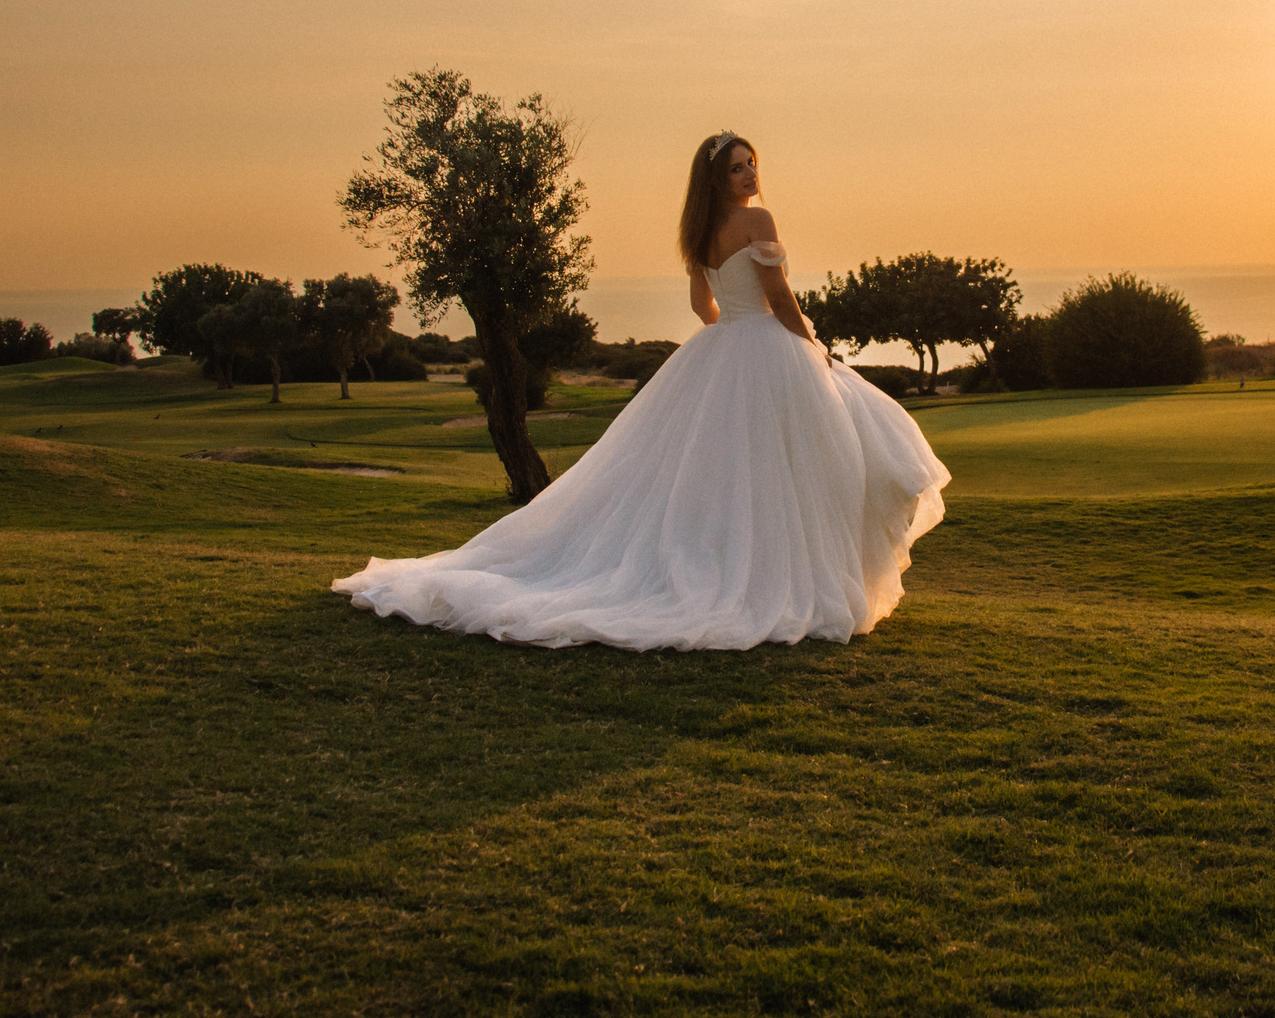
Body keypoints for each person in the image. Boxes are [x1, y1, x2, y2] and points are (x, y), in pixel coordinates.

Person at [331, 130, 950, 651]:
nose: (748, 174)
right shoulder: (757, 220)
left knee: (736, 469)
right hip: (766, 342)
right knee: (794, 462)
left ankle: (748, 566)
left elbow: (701, 302)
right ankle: (783, 578)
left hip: (725, 345)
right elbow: (781, 296)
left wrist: (729, 342)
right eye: (736, 168)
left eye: (750, 164)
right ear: (717, 179)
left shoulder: (699, 231)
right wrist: (806, 344)